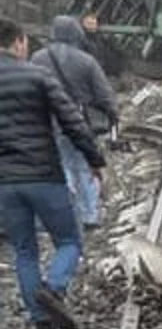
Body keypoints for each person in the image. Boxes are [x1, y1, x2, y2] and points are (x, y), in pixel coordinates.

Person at [0, 17, 106, 329]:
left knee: (24, 250)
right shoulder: (38, 75)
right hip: (44, 175)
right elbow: (72, 121)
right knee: (70, 240)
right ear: (18, 42)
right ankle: (54, 288)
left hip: (5, 182)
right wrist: (94, 159)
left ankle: (40, 321)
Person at [29, 16, 118, 230]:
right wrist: (112, 114)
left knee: (57, 164)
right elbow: (104, 93)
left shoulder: (38, 58)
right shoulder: (86, 60)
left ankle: (58, 212)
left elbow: (30, 88)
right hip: (79, 121)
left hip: (47, 120)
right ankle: (89, 216)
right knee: (84, 167)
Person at [78, 11, 126, 81]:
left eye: (94, 23)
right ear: (83, 24)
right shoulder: (81, 40)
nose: (92, 26)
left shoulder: (99, 39)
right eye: (89, 24)